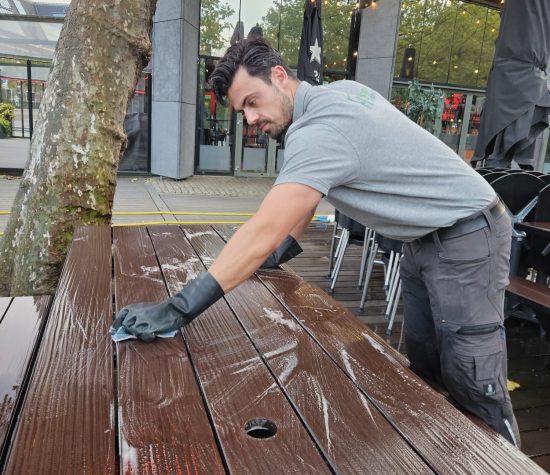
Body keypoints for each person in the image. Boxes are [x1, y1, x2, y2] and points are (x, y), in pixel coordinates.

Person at [110, 37, 520, 447]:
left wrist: (179, 308)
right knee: (427, 366)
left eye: (252, 102)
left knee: (473, 379)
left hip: (469, 238)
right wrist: (280, 252)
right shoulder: (333, 96)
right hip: (421, 239)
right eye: (241, 111)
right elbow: (306, 196)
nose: (249, 118)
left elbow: (264, 225)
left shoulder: (319, 131)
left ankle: (503, 459)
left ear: (279, 75)